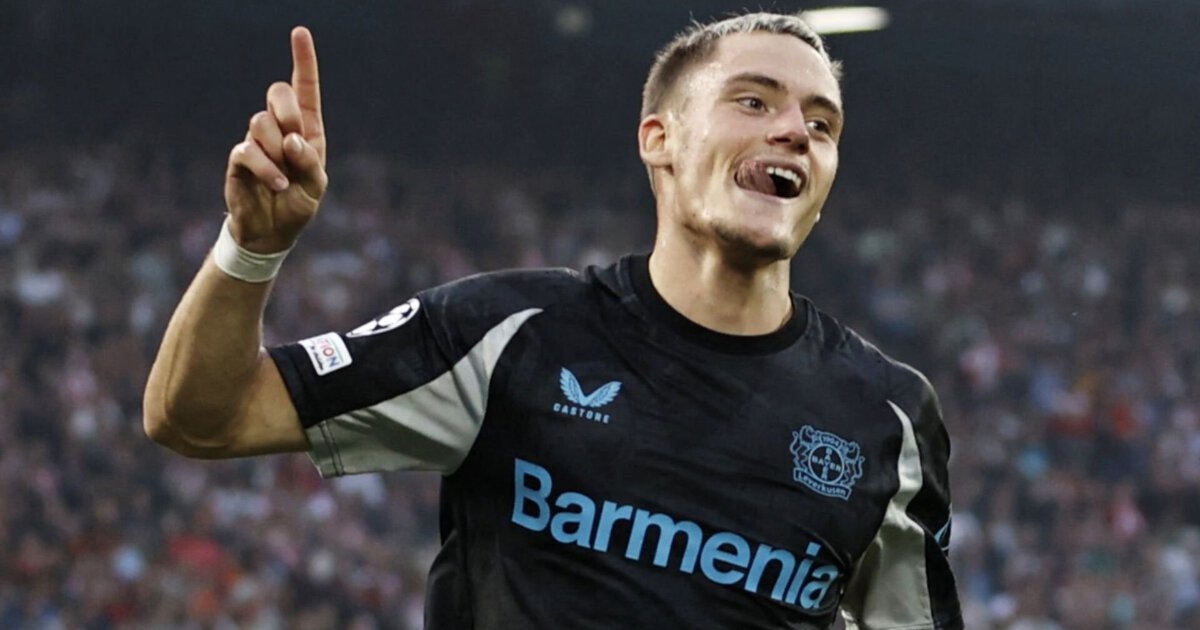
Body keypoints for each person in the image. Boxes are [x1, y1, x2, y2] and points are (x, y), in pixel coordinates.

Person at [144, 11, 963, 629]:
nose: (794, 132)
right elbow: (201, 415)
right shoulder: (509, 334)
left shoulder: (885, 418)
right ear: (660, 139)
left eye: (822, 124)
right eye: (754, 101)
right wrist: (252, 249)